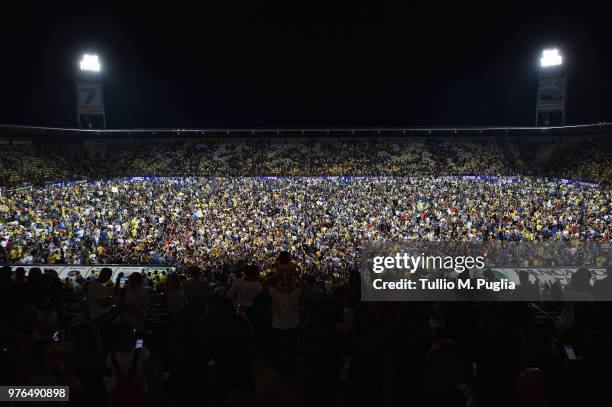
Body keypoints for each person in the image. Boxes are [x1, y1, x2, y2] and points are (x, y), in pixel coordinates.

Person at [104, 321, 150, 407]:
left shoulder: (110, 358)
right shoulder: (142, 353)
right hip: (139, 394)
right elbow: (139, 348)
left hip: (120, 397)